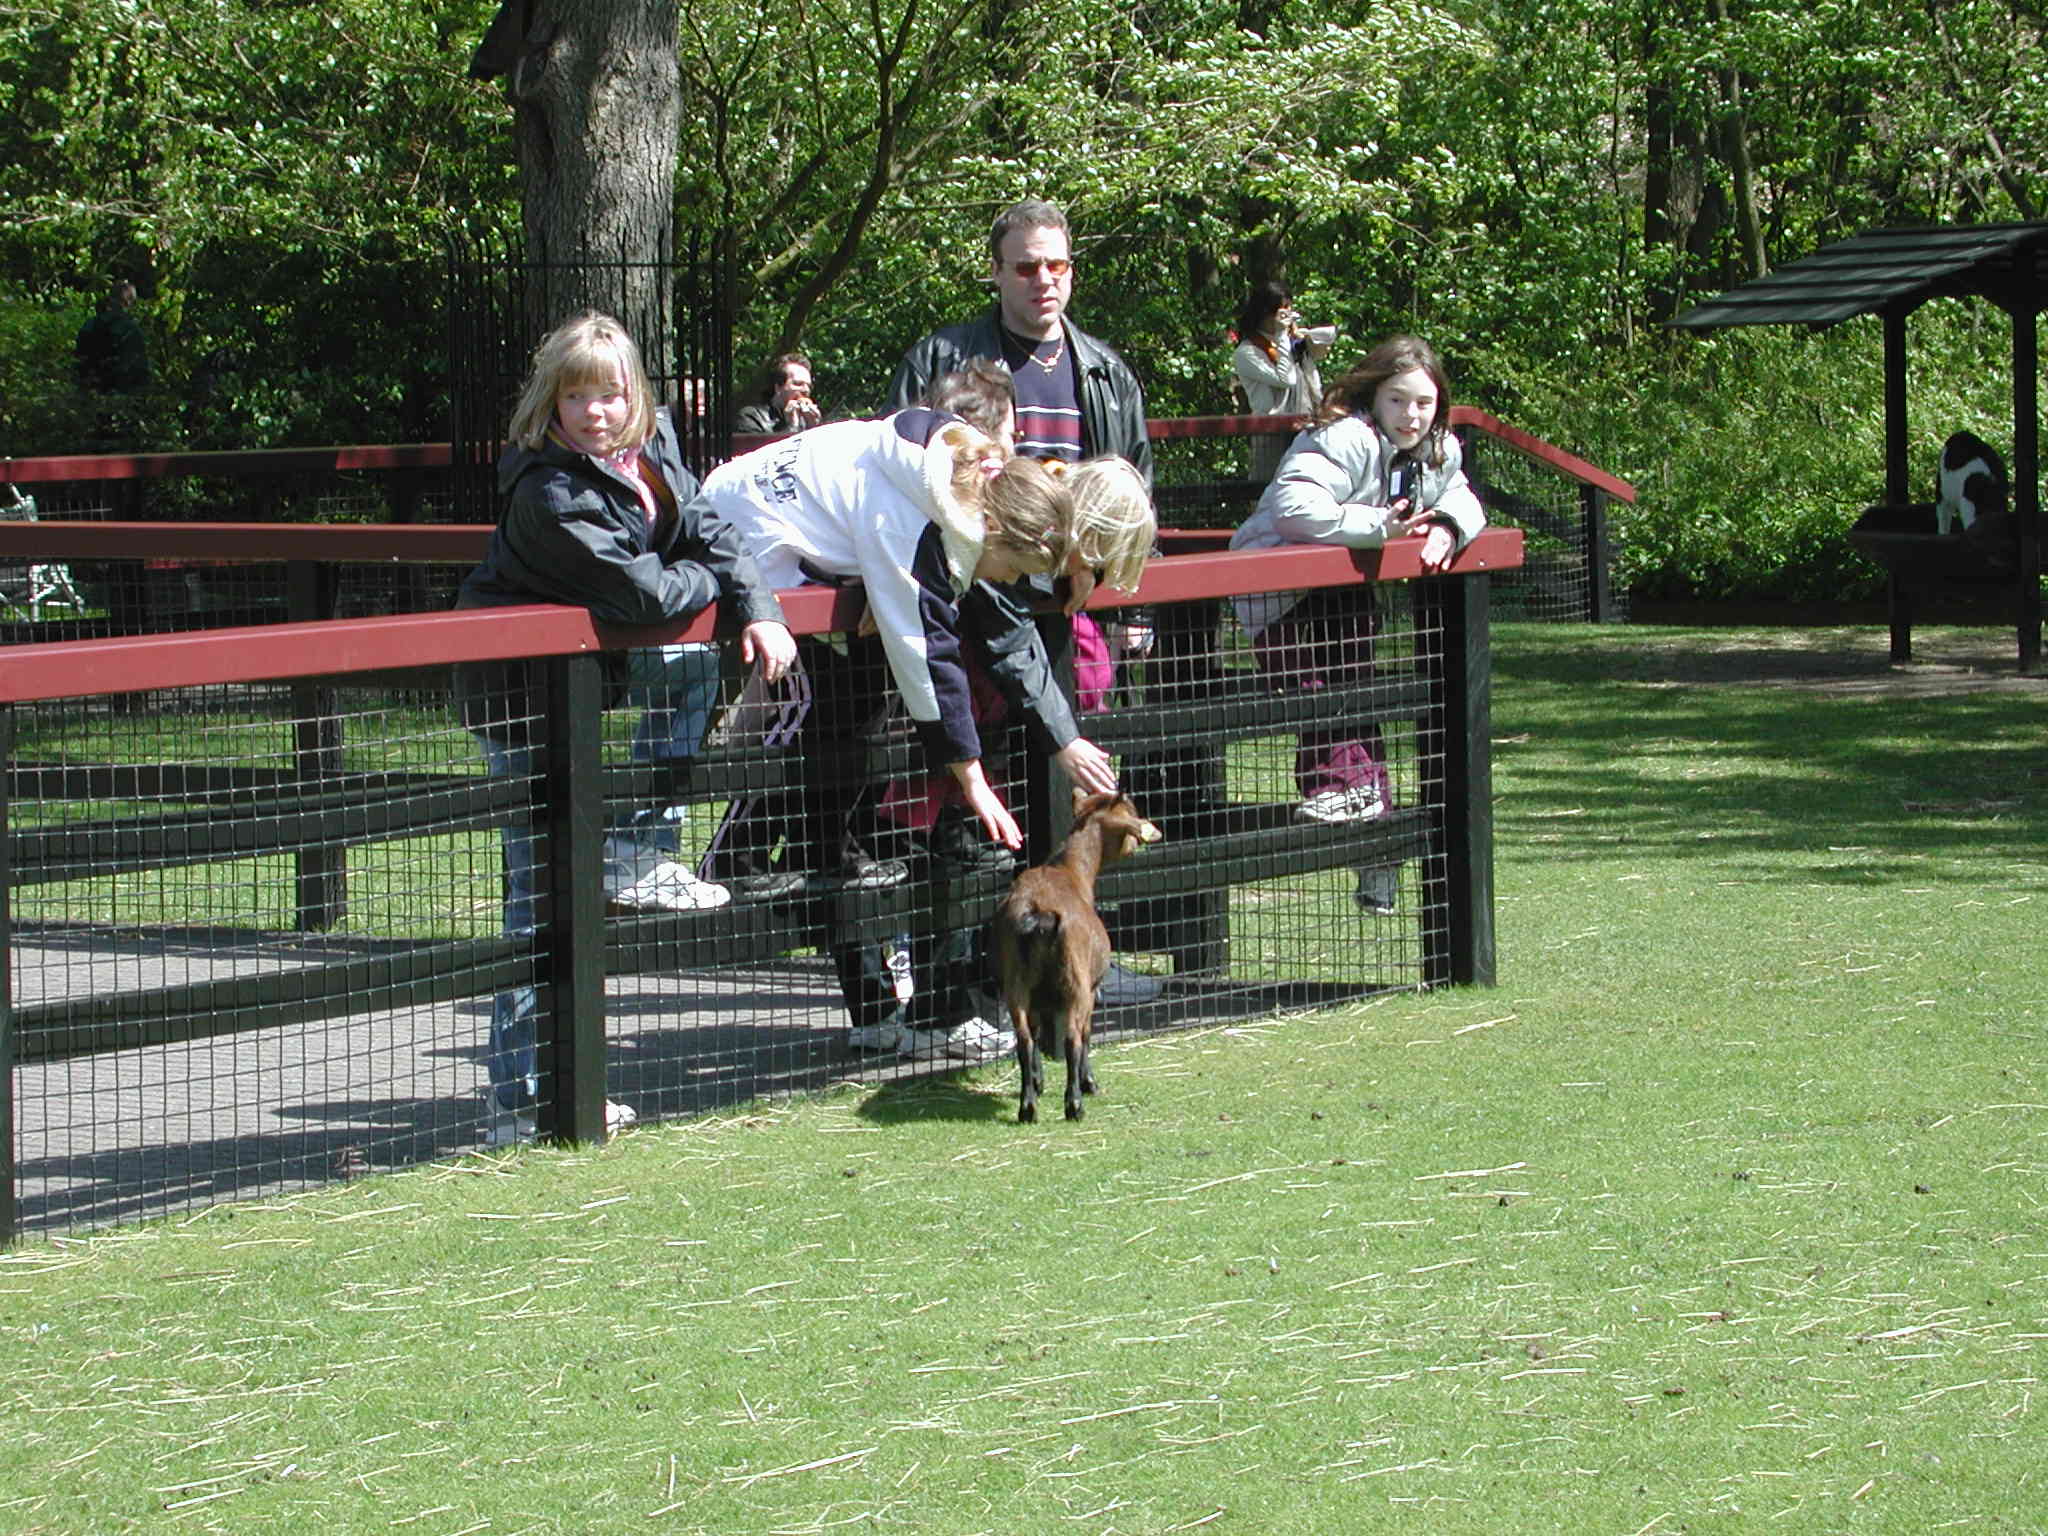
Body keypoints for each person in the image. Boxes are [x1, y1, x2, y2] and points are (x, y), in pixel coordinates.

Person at [452, 312, 795, 1143]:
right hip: (520, 696)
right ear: (552, 402)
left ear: (634, 393)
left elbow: (713, 530)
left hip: (587, 680)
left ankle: (638, 848)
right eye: (576, 396)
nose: (594, 412)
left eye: (608, 394)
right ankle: (524, 1100)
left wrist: (758, 607)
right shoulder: (549, 491)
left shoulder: (653, 446)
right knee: (538, 904)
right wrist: (707, 582)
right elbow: (641, 593)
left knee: (694, 663)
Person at [699, 409, 1075, 1061]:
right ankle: (733, 859)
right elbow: (925, 653)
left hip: (796, 539)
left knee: (851, 720)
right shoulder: (913, 528)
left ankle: (818, 868)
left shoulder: (954, 479)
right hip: (745, 536)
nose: (1016, 583)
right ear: (991, 528)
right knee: (809, 710)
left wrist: (875, 581)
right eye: (1014, 568)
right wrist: (971, 776)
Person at [885, 196, 1163, 1023]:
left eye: (1058, 264)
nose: (1045, 280)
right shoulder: (943, 358)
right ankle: (956, 983)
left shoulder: (1104, 371)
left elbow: (1133, 484)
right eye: (1027, 265)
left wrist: (1106, 580)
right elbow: (911, 476)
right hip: (971, 604)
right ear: (997, 271)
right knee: (965, 791)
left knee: (1071, 787)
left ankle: (1074, 961)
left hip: (1068, 609)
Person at [1228, 334, 1485, 913]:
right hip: (1279, 592)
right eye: (1398, 400)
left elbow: (1465, 498)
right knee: (1313, 696)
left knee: (1359, 703)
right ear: (1374, 395)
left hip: (1346, 593)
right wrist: (1377, 527)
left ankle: (1371, 846)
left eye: (1424, 403)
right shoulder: (1342, 435)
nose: (1412, 415)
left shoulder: (1438, 449)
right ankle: (1344, 803)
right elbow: (1294, 509)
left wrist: (1448, 525)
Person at [1231, 280, 1335, 483]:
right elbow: (1287, 379)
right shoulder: (1248, 352)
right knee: (1268, 491)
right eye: (1281, 311)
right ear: (1264, 313)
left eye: (1289, 309)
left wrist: (1307, 339)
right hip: (1272, 436)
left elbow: (1316, 371)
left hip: (1306, 429)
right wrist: (1281, 335)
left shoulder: (1291, 342)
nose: (1286, 317)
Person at [74, 280, 150, 394]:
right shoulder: (130, 329)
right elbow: (140, 368)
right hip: (118, 392)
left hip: (89, 389)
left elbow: (79, 358)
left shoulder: (90, 324)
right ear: (128, 303)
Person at [735, 353, 824, 436]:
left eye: (809, 386)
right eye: (798, 384)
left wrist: (814, 429)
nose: (806, 390)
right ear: (778, 387)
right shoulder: (751, 417)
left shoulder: (805, 420)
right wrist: (792, 427)